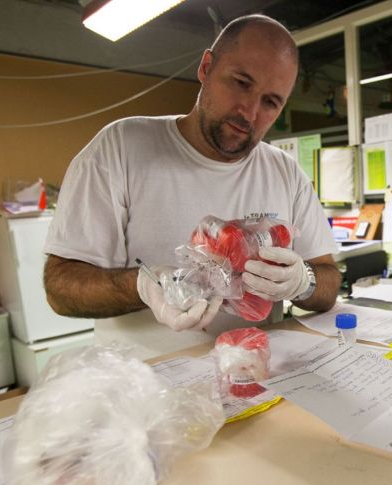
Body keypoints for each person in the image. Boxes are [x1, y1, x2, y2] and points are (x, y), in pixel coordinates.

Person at [43, 14, 341, 359]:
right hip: (146, 386)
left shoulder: (284, 171)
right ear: (206, 67)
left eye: (270, 102)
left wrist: (302, 281)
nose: (249, 111)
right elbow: (61, 288)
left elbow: (329, 281)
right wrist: (142, 285)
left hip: (254, 377)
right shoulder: (120, 148)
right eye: (241, 82)